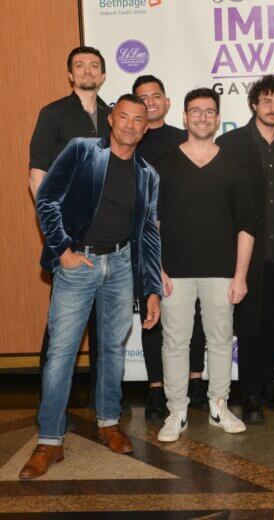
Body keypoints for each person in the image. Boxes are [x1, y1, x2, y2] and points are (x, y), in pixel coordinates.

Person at [20, 94, 162, 479]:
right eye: (124, 117)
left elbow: (148, 233)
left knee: (113, 349)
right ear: (111, 119)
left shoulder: (148, 174)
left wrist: (152, 288)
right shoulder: (82, 150)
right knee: (62, 353)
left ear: (146, 127)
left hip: (120, 265)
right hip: (78, 263)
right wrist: (62, 250)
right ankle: (49, 441)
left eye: (139, 120)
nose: (131, 125)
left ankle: (108, 423)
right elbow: (47, 198)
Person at [156, 88, 254, 442]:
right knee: (175, 342)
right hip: (173, 271)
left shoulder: (234, 166)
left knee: (220, 341)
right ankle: (177, 411)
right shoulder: (163, 164)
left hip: (221, 271)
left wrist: (240, 275)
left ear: (217, 118)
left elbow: (246, 226)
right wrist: (159, 268)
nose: (202, 117)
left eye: (209, 112)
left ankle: (219, 405)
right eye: (195, 111)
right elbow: (152, 224)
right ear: (184, 117)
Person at [216, 75, 274, 424]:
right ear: (254, 104)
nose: (272, 107)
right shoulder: (230, 143)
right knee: (249, 325)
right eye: (265, 101)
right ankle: (250, 394)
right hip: (244, 253)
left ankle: (270, 385)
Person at [29, 46, 111, 407]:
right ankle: (50, 405)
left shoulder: (115, 116)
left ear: (104, 75)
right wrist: (58, 239)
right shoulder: (53, 114)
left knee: (107, 330)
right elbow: (37, 177)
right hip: (71, 240)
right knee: (62, 331)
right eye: (79, 66)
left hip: (111, 240)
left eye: (94, 66)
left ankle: (105, 401)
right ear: (70, 74)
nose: (87, 71)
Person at [132, 75, 207, 420]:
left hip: (186, 240)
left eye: (156, 96)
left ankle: (195, 382)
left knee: (192, 316)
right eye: (143, 98)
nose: (150, 102)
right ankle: (155, 388)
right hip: (144, 240)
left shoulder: (185, 140)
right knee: (152, 315)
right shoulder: (130, 139)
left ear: (167, 101)